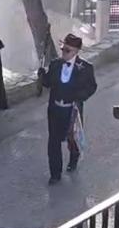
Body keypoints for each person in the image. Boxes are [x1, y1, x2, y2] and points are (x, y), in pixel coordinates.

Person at [37, 33, 97, 184]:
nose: (63, 52)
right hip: (55, 109)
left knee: (73, 139)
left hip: (72, 109)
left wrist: (79, 96)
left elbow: (92, 87)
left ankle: (73, 160)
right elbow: (49, 83)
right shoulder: (55, 64)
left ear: (76, 51)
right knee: (53, 142)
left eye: (67, 50)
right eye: (63, 49)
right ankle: (55, 173)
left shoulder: (86, 68)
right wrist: (42, 77)